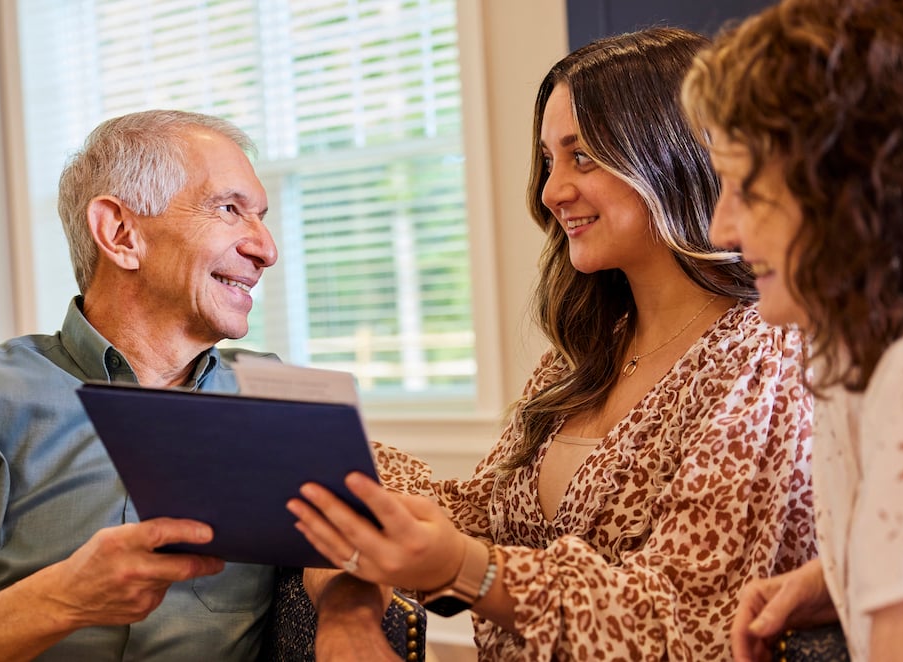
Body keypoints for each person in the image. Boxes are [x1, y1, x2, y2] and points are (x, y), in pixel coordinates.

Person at [287, 27, 818, 660]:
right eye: (548, 159)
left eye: (583, 156)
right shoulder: (582, 359)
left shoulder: (764, 358)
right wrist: (321, 457)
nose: (550, 190)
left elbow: (689, 615)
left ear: (670, 156)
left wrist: (468, 569)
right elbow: (477, 513)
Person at [0, 109, 371, 660]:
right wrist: (64, 599)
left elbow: (341, 545)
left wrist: (350, 625)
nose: (266, 249)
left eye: (260, 217)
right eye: (229, 210)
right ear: (121, 234)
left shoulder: (277, 394)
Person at [680, 1, 903, 660]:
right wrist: (835, 577)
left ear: (843, 191)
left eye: (747, 190)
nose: (721, 231)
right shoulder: (842, 347)